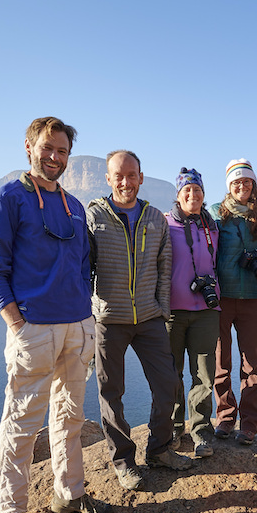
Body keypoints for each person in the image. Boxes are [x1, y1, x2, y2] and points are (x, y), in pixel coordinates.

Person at [0, 116, 111, 513]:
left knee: (70, 417)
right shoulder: (9, 198)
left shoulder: (74, 206)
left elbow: (81, 268)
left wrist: (87, 319)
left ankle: (69, 494)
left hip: (77, 327)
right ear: (29, 147)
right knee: (21, 423)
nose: (55, 158)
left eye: (62, 152)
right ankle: (11, 512)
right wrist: (17, 324)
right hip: (33, 329)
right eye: (48, 148)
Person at [88, 150, 194, 492]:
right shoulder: (94, 215)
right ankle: (124, 461)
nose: (125, 182)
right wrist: (92, 311)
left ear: (141, 177)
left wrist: (162, 308)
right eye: (118, 175)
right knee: (111, 392)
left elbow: (165, 267)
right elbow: (83, 268)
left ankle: (160, 450)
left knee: (168, 385)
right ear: (108, 178)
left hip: (149, 318)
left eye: (131, 175)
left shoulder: (154, 218)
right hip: (109, 319)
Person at [208, 159, 257, 446]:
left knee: (252, 366)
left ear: (253, 184)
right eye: (236, 182)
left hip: (251, 299)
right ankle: (224, 417)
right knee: (221, 363)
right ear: (229, 186)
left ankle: (248, 425)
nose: (242, 186)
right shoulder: (216, 214)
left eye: (247, 182)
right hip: (222, 298)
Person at [164, 167, 222, 458]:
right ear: (178, 195)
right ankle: (175, 428)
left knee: (204, 374)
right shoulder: (165, 224)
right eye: (187, 190)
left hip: (207, 310)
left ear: (203, 194)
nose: (192, 194)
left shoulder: (212, 226)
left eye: (197, 189)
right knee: (172, 372)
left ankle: (201, 431)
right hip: (173, 311)